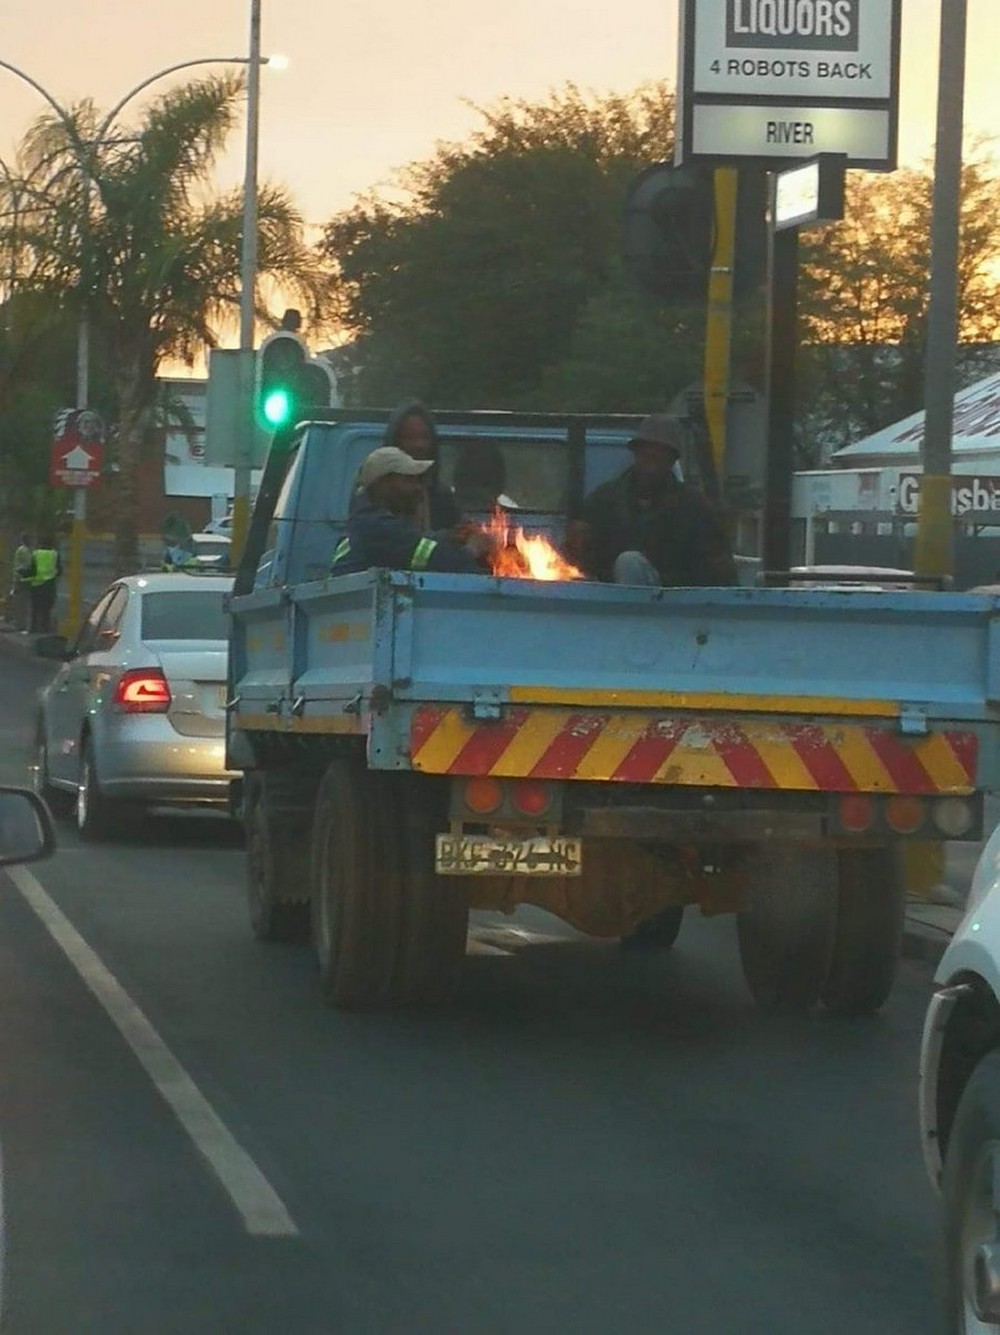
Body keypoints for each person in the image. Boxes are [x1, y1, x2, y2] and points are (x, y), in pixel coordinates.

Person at [569, 413, 737, 587]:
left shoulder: (695, 508)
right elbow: (577, 564)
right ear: (635, 453)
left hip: (673, 606)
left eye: (659, 457)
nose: (650, 464)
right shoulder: (603, 500)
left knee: (630, 562)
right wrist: (578, 547)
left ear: (672, 460)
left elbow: (718, 572)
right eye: (646, 455)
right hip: (610, 604)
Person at [332, 447, 490, 576]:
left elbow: (409, 542)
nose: (418, 488)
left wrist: (449, 537)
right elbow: (434, 559)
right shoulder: (375, 526)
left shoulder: (368, 522)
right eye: (408, 481)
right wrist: (472, 549)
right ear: (383, 485)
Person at [382, 400, 461, 530]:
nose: (419, 445)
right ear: (394, 441)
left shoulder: (442, 497)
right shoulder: (375, 492)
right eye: (409, 438)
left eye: (425, 437)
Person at [452, 441, 519, 512]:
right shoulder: (442, 509)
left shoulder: (512, 517)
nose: (476, 491)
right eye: (468, 479)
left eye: (483, 482)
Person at [28, 533, 62, 634]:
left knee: (35, 608)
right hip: (49, 585)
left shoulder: (35, 553)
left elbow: (32, 569)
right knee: (47, 609)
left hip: (36, 584)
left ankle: (33, 628)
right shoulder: (55, 554)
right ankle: (45, 629)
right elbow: (59, 570)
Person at [8, 532, 33, 631]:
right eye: (29, 539)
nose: (31, 541)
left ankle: (19, 624)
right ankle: (19, 625)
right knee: (21, 603)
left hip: (21, 579)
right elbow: (28, 563)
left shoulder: (23, 550)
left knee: (21, 603)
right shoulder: (23, 550)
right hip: (21, 580)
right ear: (25, 540)